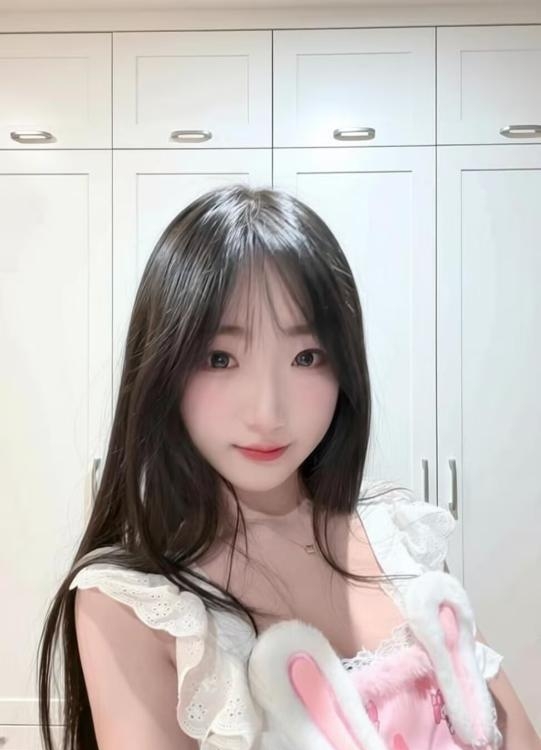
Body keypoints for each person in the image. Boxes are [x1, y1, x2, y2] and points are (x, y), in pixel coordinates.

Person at [37, 184, 540, 750]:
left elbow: (514, 732)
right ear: (162, 366)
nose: (268, 413)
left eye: (306, 357)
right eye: (220, 358)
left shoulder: (399, 536)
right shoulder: (134, 603)